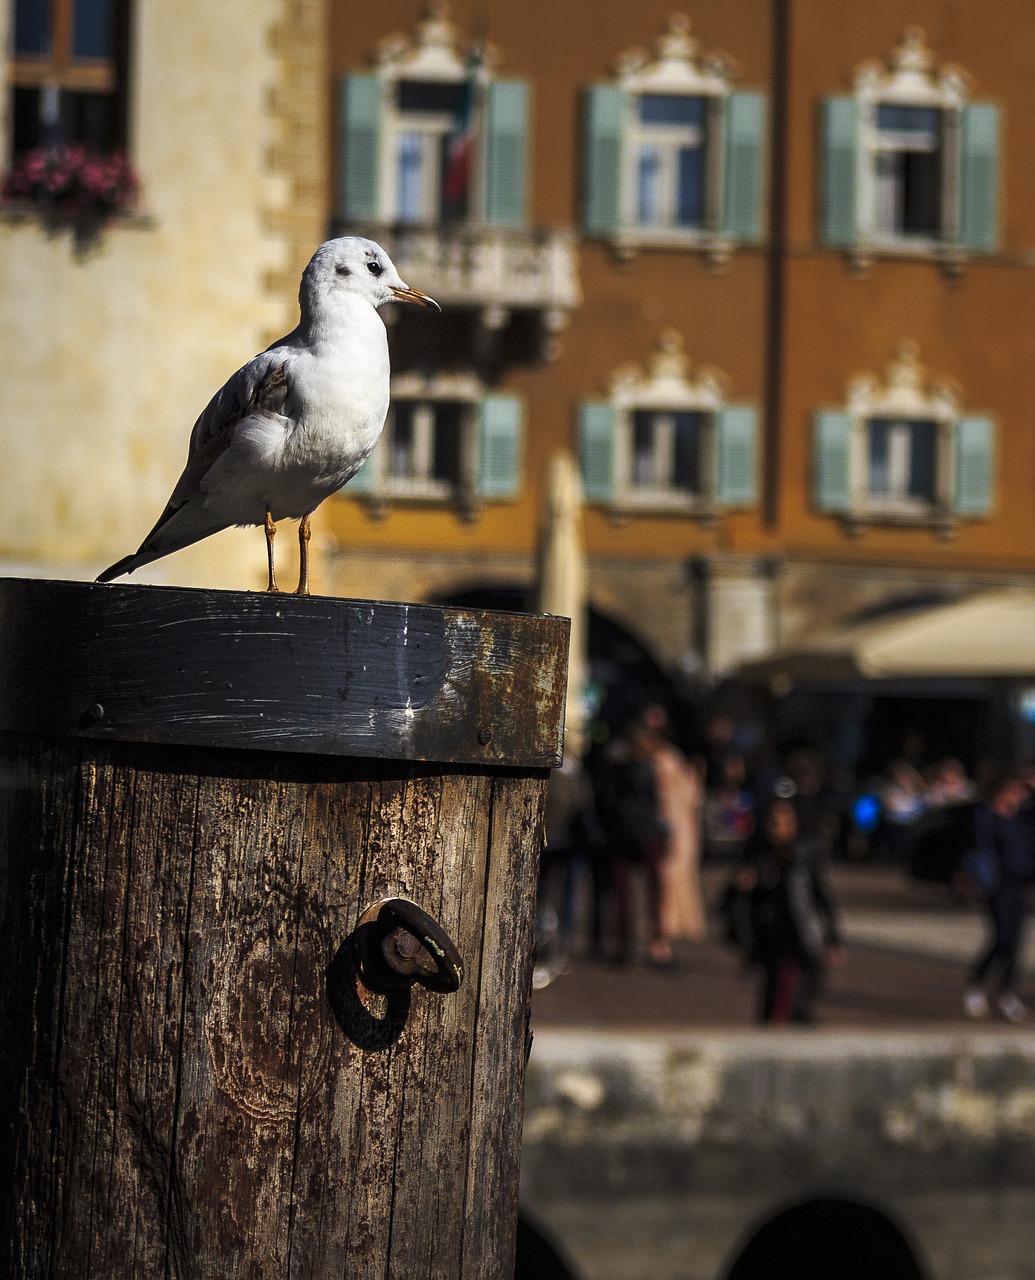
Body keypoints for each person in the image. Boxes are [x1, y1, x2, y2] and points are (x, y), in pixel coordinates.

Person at [741, 798, 845, 1024]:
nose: (778, 828)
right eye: (773, 822)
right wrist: (742, 886)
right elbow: (739, 900)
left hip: (798, 933)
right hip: (768, 935)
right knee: (774, 992)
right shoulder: (758, 854)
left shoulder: (805, 855)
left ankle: (791, 1028)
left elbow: (822, 896)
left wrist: (833, 938)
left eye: (784, 821)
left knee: (796, 991)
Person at [592, 711, 672, 967]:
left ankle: (625, 947)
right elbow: (654, 802)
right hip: (643, 834)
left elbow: (606, 800)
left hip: (623, 833)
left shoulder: (616, 767)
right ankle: (655, 945)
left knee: (624, 894)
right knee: (652, 892)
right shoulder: (646, 768)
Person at [961, 770, 1035, 1023]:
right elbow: (975, 847)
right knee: (1001, 938)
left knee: (1015, 942)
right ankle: (977, 985)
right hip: (997, 886)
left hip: (1020, 885)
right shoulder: (986, 816)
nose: (1020, 795)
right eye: (1016, 790)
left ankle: (1007, 993)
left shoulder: (1022, 818)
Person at [641, 703, 707, 950]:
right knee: (669, 878)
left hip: (674, 825)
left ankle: (662, 934)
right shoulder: (670, 757)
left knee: (668, 878)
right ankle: (663, 933)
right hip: (677, 824)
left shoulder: (663, 759)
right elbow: (693, 793)